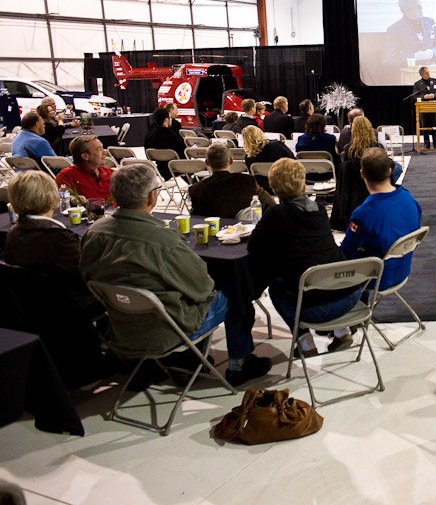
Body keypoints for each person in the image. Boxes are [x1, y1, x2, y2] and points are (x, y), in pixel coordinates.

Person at [80, 163, 271, 385]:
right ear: (152, 197)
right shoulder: (162, 240)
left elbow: (87, 278)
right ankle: (238, 363)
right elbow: (202, 288)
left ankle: (188, 360)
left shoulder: (93, 233)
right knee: (234, 290)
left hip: (120, 327)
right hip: (167, 329)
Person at [3, 171, 106, 388]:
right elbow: (93, 275)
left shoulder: (14, 233)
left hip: (35, 308)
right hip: (69, 306)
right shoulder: (58, 241)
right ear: (52, 198)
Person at [248, 159, 357, 355]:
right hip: (349, 296)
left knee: (277, 285)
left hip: (315, 308)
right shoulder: (320, 211)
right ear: (303, 184)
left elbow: (253, 246)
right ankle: (342, 331)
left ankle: (305, 342)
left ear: (272, 186)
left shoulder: (276, 214)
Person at [342, 147, 422, 293]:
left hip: (374, 277)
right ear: (390, 171)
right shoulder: (409, 198)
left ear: (362, 174)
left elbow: (347, 255)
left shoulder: (363, 214)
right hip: (402, 269)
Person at [189, 143, 275, 219]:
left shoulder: (196, 189)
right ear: (231, 160)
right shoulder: (247, 181)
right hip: (243, 231)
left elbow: (194, 218)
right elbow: (271, 203)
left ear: (207, 162)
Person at [383, 0, 436, 68]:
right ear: (407, 9)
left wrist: (433, 52)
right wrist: (414, 56)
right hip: (409, 74)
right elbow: (390, 57)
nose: (421, 7)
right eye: (417, 6)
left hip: (431, 72)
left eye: (420, 4)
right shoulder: (394, 29)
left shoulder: (430, 22)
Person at [55, 135, 113, 201]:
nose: (105, 152)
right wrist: (72, 199)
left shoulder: (111, 173)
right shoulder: (66, 176)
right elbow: (59, 196)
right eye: (99, 149)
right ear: (85, 156)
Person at [242, 125, 295, 194]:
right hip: (283, 186)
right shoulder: (277, 146)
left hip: (264, 190)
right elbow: (292, 159)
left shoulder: (249, 158)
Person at [143, 107, 186, 178]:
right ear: (166, 119)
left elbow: (148, 155)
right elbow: (183, 154)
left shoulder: (149, 136)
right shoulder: (173, 136)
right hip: (176, 169)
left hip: (159, 169)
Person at [412, 67, 436, 149]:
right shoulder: (417, 84)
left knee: (435, 125)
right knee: (424, 126)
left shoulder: (435, 81)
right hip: (423, 108)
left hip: (434, 107)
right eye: (426, 73)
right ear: (421, 75)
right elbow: (415, 96)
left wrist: (434, 95)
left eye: (428, 72)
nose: (428, 74)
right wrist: (423, 97)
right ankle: (426, 143)